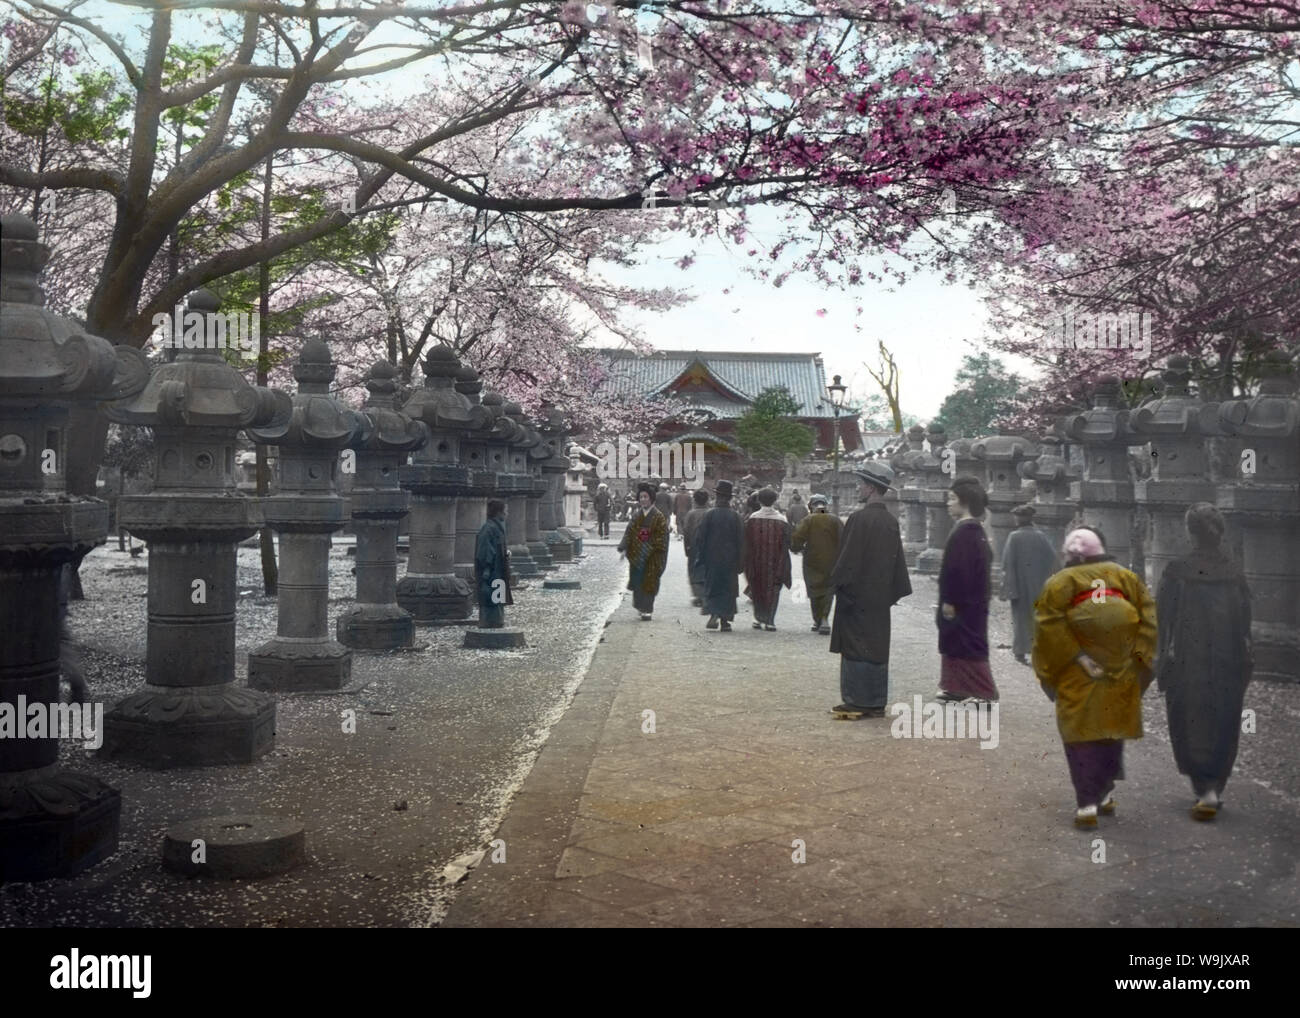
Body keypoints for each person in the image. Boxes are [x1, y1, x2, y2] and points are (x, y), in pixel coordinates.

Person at [1033, 526, 1157, 828]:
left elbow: (1048, 627)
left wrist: (1078, 658)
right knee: (1111, 731)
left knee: (1080, 737)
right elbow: (1148, 621)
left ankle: (1087, 804)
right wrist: (1136, 664)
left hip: (1078, 673)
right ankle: (1104, 794)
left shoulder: (1060, 582)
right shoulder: (1126, 577)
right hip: (1121, 671)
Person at [1156, 503, 1253, 821]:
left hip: (1188, 660)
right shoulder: (1234, 572)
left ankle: (1204, 789)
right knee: (1223, 718)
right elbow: (1245, 624)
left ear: (1189, 531)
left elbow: (1163, 620)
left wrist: (1161, 660)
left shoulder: (1177, 571)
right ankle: (1215, 788)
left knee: (1191, 719)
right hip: (1228, 661)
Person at [828, 464, 911, 718]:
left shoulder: (859, 519)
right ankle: (875, 701)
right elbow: (898, 565)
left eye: (861, 484)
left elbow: (848, 559)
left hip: (856, 596)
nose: (857, 488)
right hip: (879, 597)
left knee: (854, 645)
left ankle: (857, 700)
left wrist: (837, 584)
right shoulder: (890, 521)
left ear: (872, 488)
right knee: (876, 644)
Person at [936, 475, 999, 703]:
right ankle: (956, 687)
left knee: (967, 642)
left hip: (962, 601)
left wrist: (951, 600)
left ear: (964, 502)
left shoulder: (965, 532)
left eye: (952, 498)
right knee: (956, 641)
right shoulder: (974, 531)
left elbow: (957, 570)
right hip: (971, 600)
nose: (948, 503)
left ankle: (984, 692)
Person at [1000, 503, 1060, 664]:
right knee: (1038, 617)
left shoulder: (1014, 537)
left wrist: (1007, 587)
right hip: (1039, 585)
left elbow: (1007, 563)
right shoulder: (1041, 536)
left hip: (1019, 585)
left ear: (1019, 519)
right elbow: (1054, 561)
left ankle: (1020, 651)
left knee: (1020, 618)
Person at [690, 479, 744, 632]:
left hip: (712, 559)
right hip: (730, 561)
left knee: (713, 587)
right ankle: (726, 621)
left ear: (718, 497)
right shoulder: (736, 517)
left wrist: (701, 557)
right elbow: (741, 541)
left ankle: (713, 614)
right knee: (728, 590)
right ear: (730, 498)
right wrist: (741, 562)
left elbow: (700, 538)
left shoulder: (709, 515)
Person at [791, 493, 842, 634]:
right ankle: (825, 618)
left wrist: (796, 548)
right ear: (825, 505)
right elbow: (844, 540)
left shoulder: (808, 520)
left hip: (812, 560)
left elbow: (796, 538)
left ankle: (817, 620)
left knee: (814, 589)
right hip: (832, 561)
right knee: (828, 589)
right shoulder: (835, 520)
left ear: (812, 506)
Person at [618, 482, 670, 620]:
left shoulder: (659, 517)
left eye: (646, 497)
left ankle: (648, 609)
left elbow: (662, 537)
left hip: (653, 555)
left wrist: (649, 547)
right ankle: (640, 606)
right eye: (641, 497)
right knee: (638, 580)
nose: (643, 500)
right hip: (637, 554)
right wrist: (624, 547)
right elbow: (629, 531)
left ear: (652, 498)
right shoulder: (636, 515)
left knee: (650, 581)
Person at [743, 487, 792, 631]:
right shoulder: (782, 520)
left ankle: (758, 618)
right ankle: (770, 620)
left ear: (759, 500)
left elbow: (747, 542)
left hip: (756, 560)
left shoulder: (752, 519)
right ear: (775, 500)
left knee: (756, 588)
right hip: (776, 561)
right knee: (774, 589)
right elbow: (788, 542)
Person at [474, 499, 513, 628]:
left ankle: (496, 621)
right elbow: (484, 552)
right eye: (505, 511)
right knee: (491, 594)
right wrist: (487, 568)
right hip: (491, 570)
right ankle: (490, 623)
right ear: (498, 512)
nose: (507, 514)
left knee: (497, 595)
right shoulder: (489, 528)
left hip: (497, 568)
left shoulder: (496, 527)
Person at [682, 487, 711, 606]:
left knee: (694, 569)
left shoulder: (691, 514)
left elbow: (686, 532)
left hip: (694, 546)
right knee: (707, 569)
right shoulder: (711, 512)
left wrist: (686, 548)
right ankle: (706, 594)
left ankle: (698, 595)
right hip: (709, 546)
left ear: (695, 500)